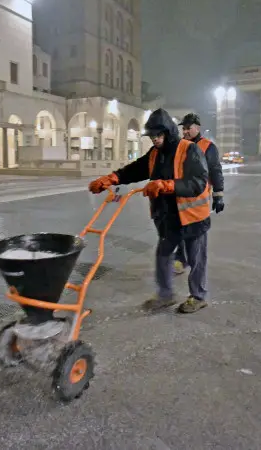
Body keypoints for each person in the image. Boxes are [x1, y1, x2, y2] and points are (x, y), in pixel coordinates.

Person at [88, 108, 211, 313]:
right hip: (167, 216)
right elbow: (135, 169)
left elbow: (198, 183)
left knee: (195, 259)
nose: (154, 139)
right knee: (163, 254)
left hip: (192, 218)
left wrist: (167, 185)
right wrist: (110, 179)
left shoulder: (189, 150)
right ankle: (165, 295)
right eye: (152, 136)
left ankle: (198, 296)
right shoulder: (155, 154)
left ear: (168, 132)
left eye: (158, 135)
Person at [173, 113, 225, 276]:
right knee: (179, 230)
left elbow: (215, 171)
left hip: (197, 201)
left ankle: (192, 268)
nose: (185, 131)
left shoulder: (208, 147)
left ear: (198, 127)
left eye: (189, 128)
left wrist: (218, 195)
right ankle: (180, 259)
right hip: (179, 198)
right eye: (184, 128)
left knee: (194, 236)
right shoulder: (180, 146)